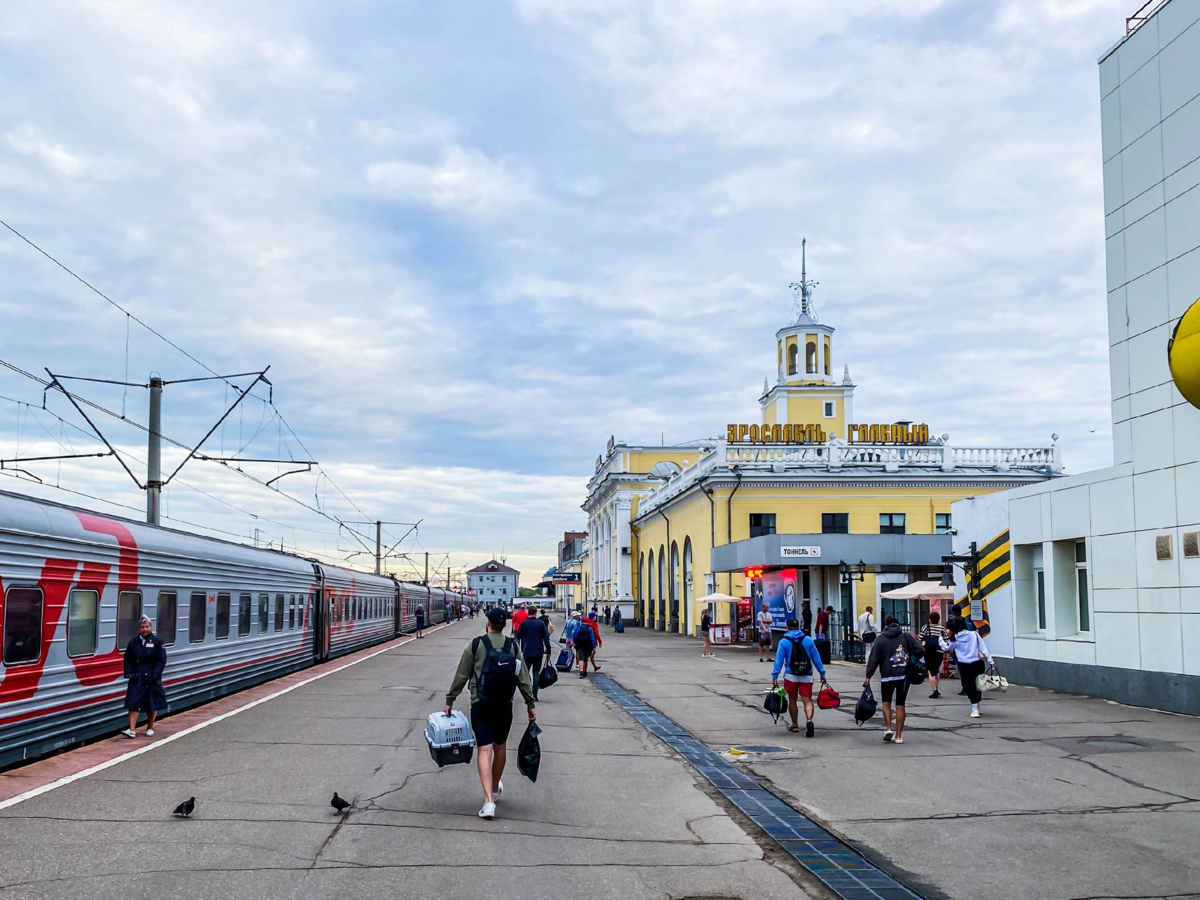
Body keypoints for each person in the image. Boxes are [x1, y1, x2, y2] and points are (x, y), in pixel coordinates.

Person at [445, 608, 535, 819]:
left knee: (484, 750)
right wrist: (530, 703)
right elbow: (522, 677)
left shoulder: (476, 645)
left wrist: (450, 699)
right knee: (500, 747)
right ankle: (494, 788)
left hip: (481, 703)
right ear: (504, 625)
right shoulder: (513, 646)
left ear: (488, 623)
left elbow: (461, 675)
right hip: (504, 705)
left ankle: (488, 802)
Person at [863, 615, 924, 744]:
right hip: (904, 675)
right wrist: (910, 656)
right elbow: (920, 650)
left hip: (887, 675)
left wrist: (868, 675)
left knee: (886, 702)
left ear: (886, 625)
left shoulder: (880, 639)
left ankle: (888, 728)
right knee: (900, 704)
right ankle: (898, 736)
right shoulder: (906, 637)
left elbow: (874, 659)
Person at [771, 617, 827, 737]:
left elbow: (779, 661)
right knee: (807, 700)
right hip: (807, 675)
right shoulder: (808, 640)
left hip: (791, 675)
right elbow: (816, 658)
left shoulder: (784, 642)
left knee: (792, 699)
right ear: (798, 628)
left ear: (787, 627)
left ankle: (795, 725)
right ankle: (809, 720)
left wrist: (775, 675)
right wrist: (822, 673)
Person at [122, 616, 167, 738]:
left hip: (151, 677)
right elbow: (127, 659)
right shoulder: (133, 643)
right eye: (142, 627)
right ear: (138, 629)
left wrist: (155, 675)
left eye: (147, 627)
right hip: (137, 677)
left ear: (151, 627)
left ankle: (150, 727)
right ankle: (131, 729)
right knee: (133, 703)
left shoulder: (157, 642)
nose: (145, 629)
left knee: (151, 703)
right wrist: (129, 673)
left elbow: (161, 661)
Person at [941, 616, 993, 718]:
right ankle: (977, 703)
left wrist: (940, 639)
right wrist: (991, 661)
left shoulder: (954, 638)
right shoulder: (974, 634)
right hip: (977, 663)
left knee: (969, 685)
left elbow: (946, 647)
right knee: (978, 684)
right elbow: (983, 647)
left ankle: (974, 707)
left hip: (964, 664)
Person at [516, 608, 553, 700]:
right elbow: (546, 638)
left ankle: (529, 689)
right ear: (535, 613)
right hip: (538, 651)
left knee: (526, 672)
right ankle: (535, 693)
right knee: (536, 673)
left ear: (528, 613)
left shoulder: (524, 623)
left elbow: (518, 635)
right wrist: (548, 650)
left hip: (527, 651)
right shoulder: (540, 624)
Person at [920, 612, 950, 699]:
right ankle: (936, 688)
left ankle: (934, 691)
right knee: (936, 670)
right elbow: (946, 641)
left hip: (929, 651)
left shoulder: (925, 627)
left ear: (930, 619)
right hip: (939, 652)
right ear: (938, 619)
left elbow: (920, 638)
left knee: (931, 671)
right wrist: (946, 652)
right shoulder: (942, 629)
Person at [573, 612, 596, 677]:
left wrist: (575, 643)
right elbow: (592, 638)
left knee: (581, 659)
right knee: (586, 659)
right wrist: (593, 647)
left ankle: (581, 672)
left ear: (582, 621)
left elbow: (575, 636)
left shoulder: (578, 628)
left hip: (580, 645)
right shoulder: (589, 629)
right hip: (588, 646)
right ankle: (585, 671)